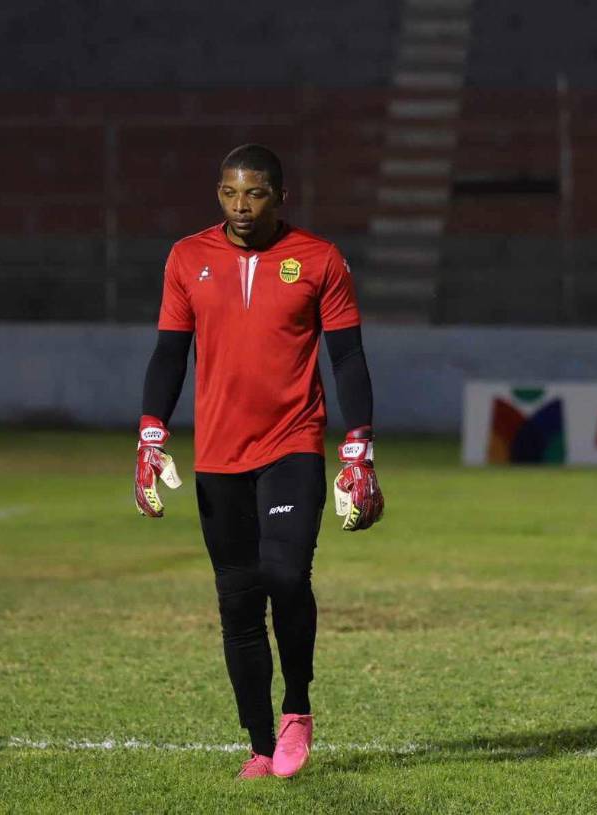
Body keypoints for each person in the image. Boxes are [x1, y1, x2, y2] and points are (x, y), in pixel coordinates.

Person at [133, 144, 384, 780]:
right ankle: (261, 744)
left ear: (280, 196)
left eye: (254, 194)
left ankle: (297, 709)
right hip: (219, 453)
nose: (241, 207)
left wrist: (360, 442)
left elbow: (348, 358)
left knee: (286, 576)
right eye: (228, 194)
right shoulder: (188, 258)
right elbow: (169, 354)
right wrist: (150, 431)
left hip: (293, 442)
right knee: (237, 600)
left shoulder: (321, 259)